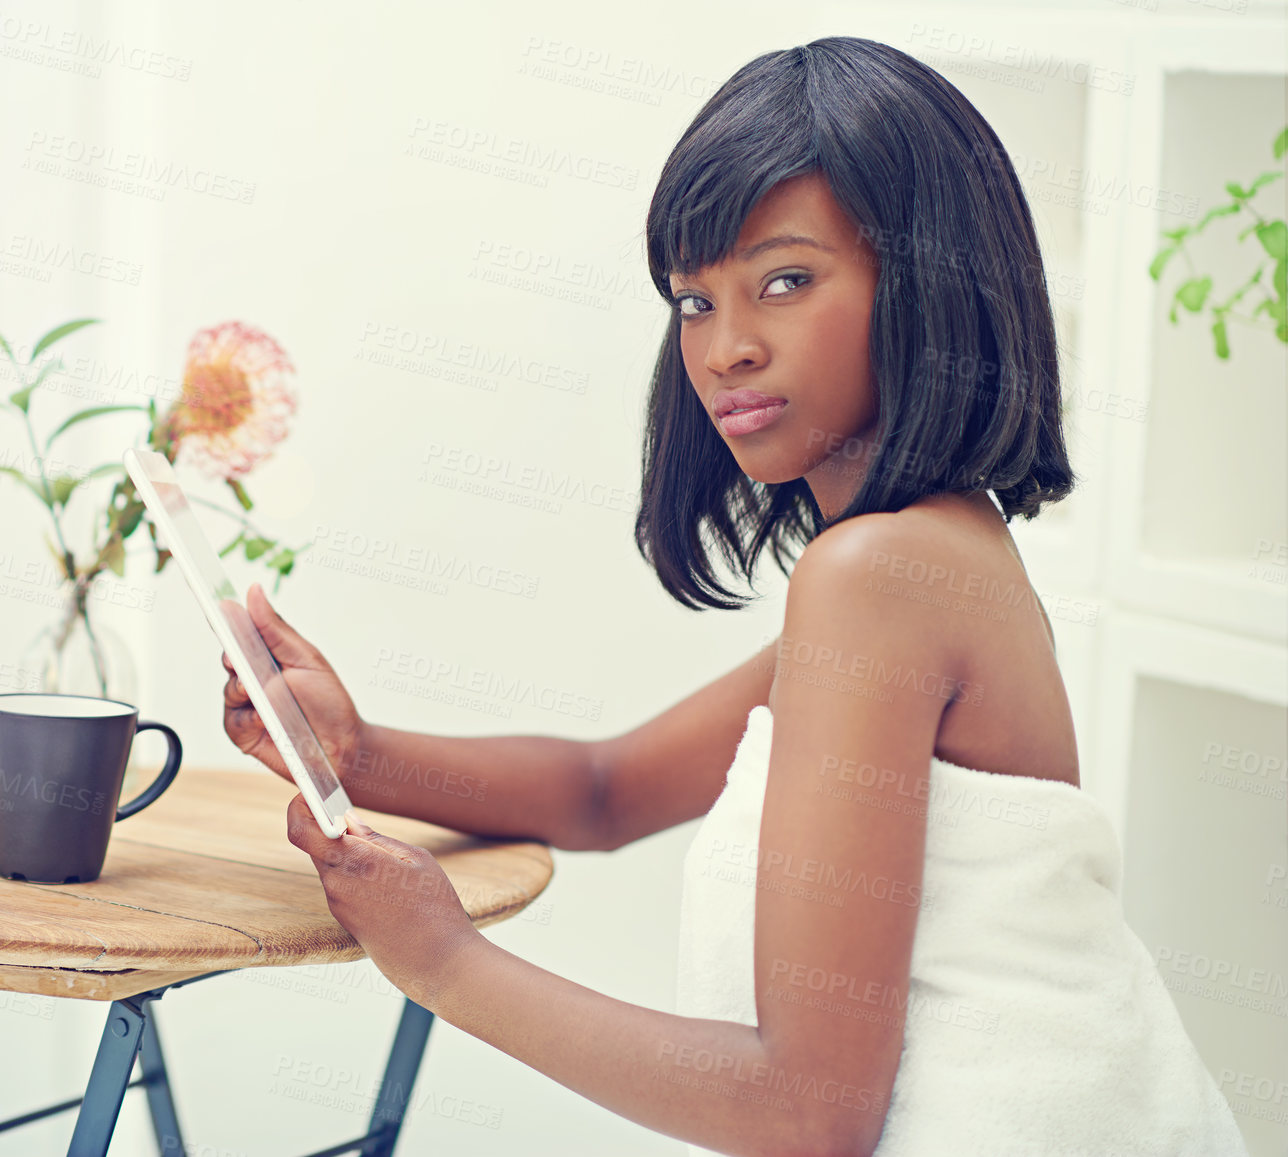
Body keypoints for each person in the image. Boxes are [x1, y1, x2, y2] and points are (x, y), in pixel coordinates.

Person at [222, 35, 1248, 1157]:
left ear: (928, 281)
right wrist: (352, 752)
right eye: (692, 301)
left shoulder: (879, 577)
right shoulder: (933, 555)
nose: (725, 348)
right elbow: (606, 790)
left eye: (785, 281)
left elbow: (806, 1114)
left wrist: (441, 961)